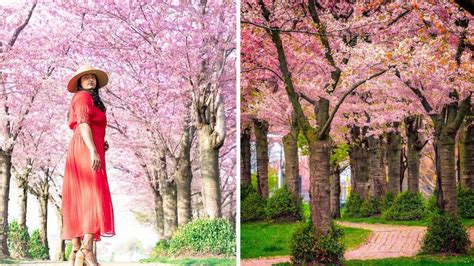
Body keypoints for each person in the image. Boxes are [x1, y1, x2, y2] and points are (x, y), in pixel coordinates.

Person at [62, 65, 115, 266]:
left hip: (89, 146)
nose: (91, 79)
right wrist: (93, 149)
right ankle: (86, 249)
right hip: (85, 148)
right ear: (79, 82)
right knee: (94, 196)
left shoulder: (92, 100)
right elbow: (83, 123)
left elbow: (90, 125)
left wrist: (101, 144)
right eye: (86, 77)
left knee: (83, 197)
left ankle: (77, 251)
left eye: (93, 77)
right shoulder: (83, 96)